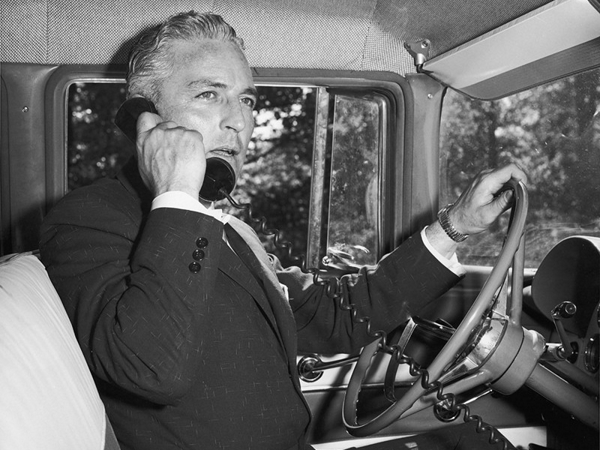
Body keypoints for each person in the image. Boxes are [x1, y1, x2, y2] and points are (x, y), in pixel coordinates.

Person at [39, 11, 526, 450]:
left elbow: (338, 320)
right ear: (144, 118)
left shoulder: (229, 229)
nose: (239, 122)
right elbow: (149, 369)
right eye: (209, 94)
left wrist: (456, 225)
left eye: (246, 100)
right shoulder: (89, 218)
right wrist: (177, 196)